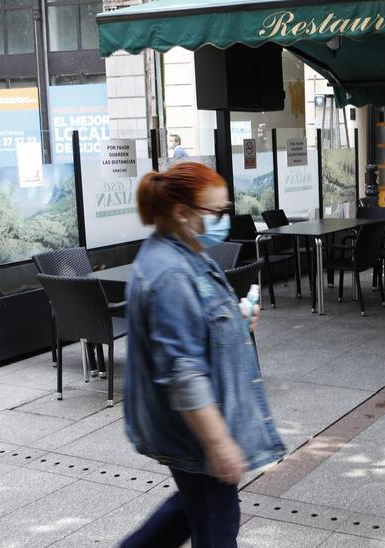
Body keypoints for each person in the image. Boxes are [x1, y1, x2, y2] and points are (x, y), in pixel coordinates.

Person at [121, 162, 284, 547]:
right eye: (217, 211)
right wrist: (218, 443)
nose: (224, 219)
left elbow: (197, 329)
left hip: (191, 432)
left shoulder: (187, 251)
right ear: (182, 212)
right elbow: (183, 372)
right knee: (217, 525)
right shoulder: (171, 274)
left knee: (188, 513)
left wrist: (236, 322)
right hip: (192, 434)